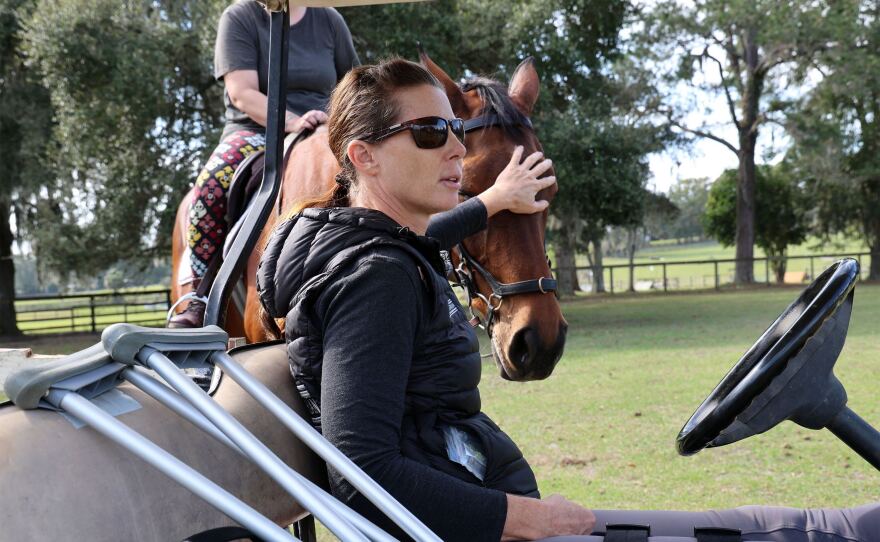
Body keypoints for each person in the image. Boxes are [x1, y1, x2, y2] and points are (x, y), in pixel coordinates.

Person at [256, 59, 880, 541]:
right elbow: (363, 471)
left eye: (451, 127)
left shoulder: (374, 248)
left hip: (485, 517)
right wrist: (524, 519)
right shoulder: (376, 277)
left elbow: (421, 240)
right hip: (491, 529)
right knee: (824, 531)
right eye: (427, 131)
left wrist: (492, 202)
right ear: (361, 156)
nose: (454, 148)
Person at [170, 0, 359, 328]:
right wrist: (292, 121)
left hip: (328, 130)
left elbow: (354, 86)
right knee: (213, 184)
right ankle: (197, 296)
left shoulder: (328, 18)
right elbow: (242, 93)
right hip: (256, 130)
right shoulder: (240, 17)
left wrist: (334, 120)